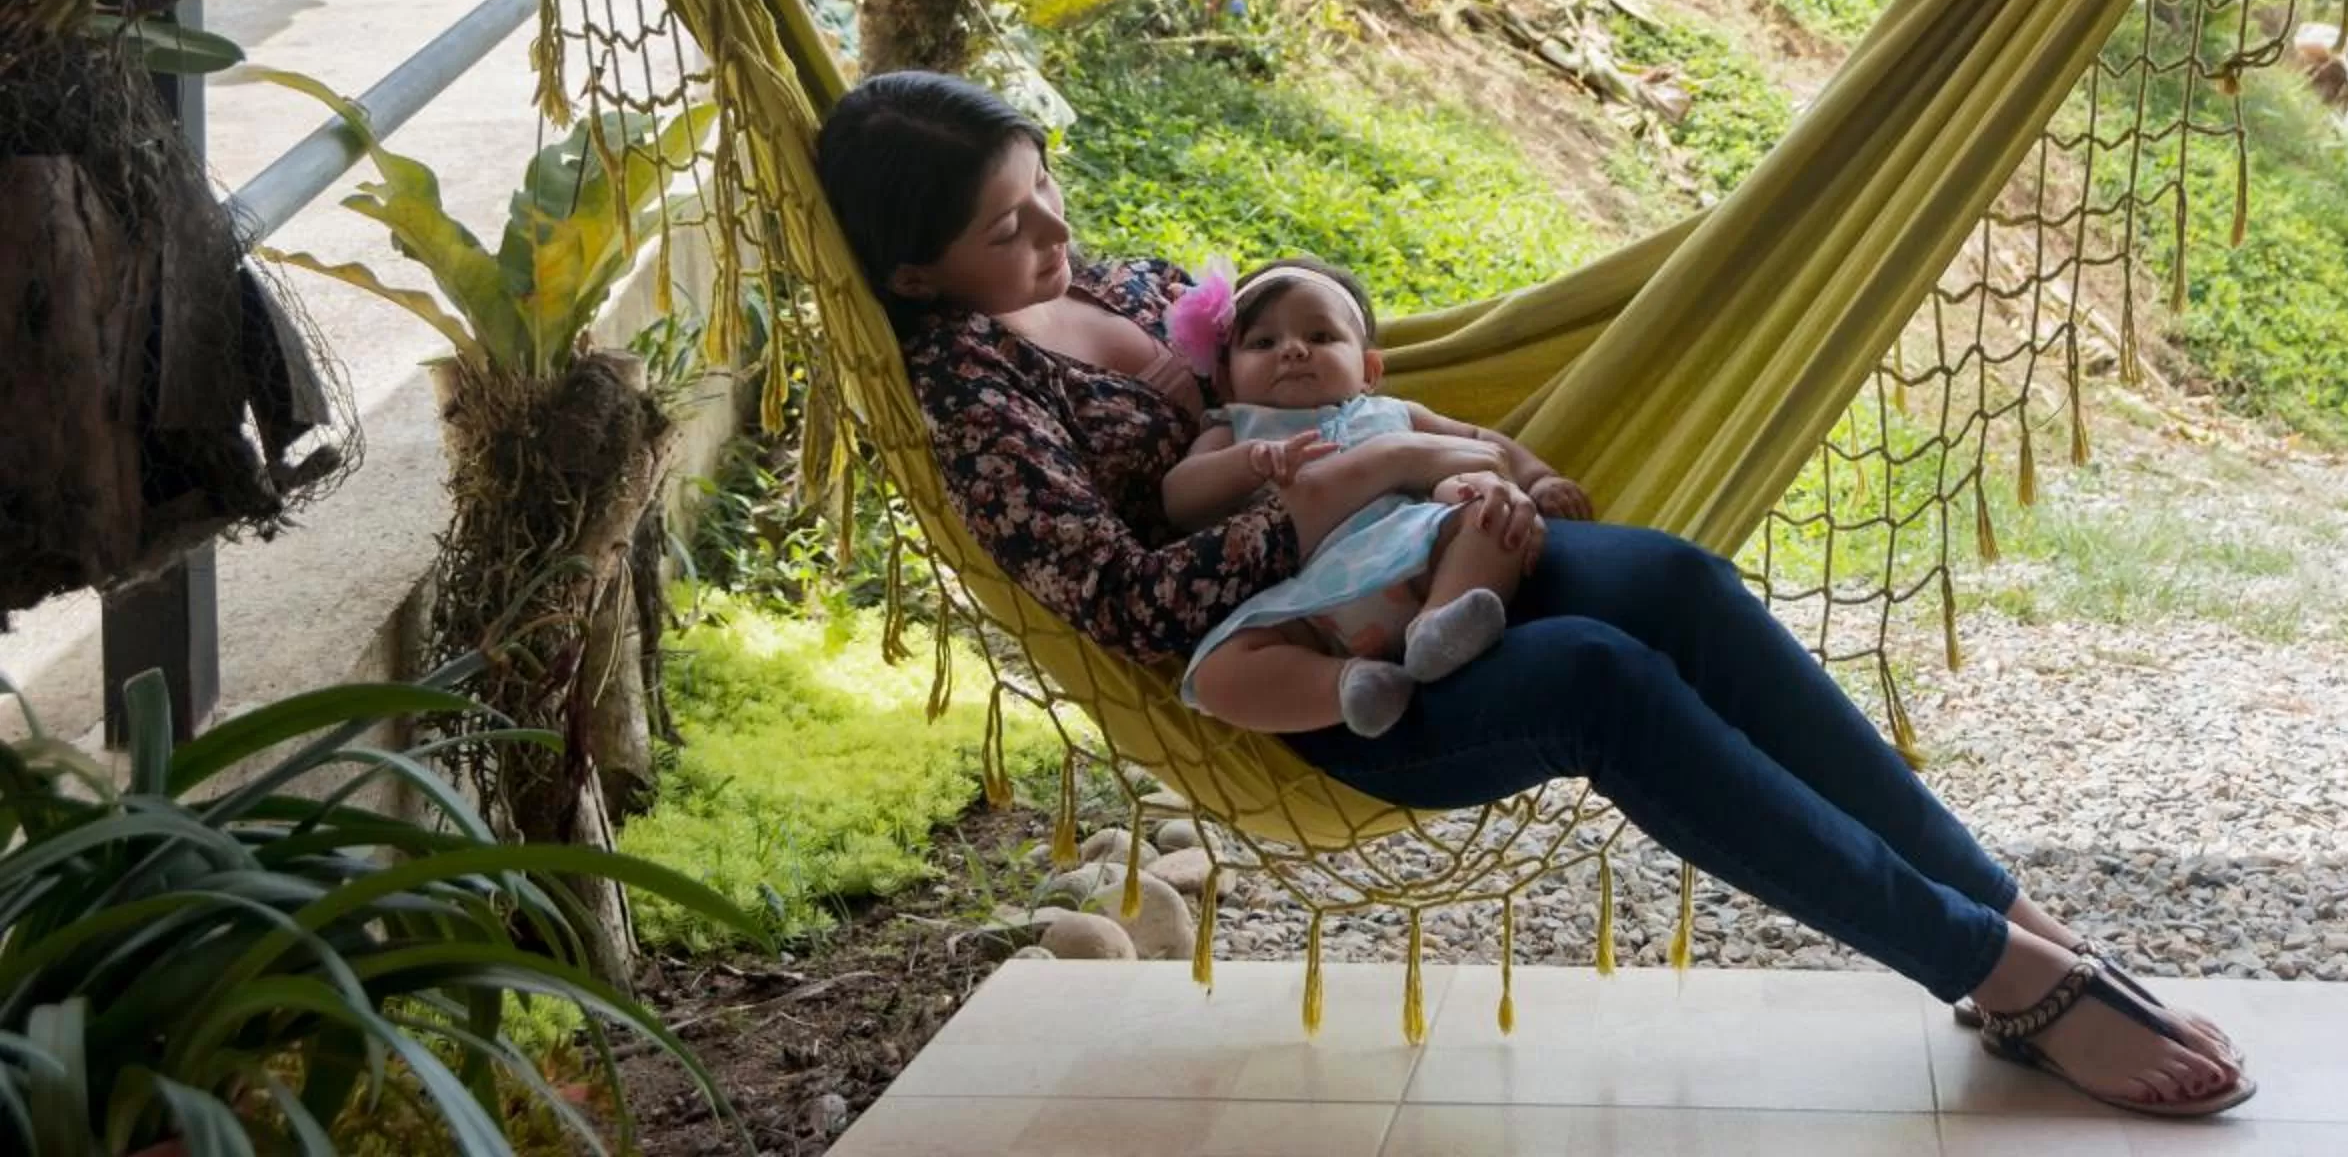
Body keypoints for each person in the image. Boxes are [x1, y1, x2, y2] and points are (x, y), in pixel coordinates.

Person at [816, 70, 2254, 1120]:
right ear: (918, 271)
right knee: (1596, 680)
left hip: (1418, 541)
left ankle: (2005, 911)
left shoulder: (1118, 288)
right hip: (1320, 663)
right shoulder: (973, 396)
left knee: (1674, 579)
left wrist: (1446, 467)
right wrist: (1343, 489)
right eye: (1009, 230)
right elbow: (1121, 602)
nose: (1055, 235)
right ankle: (1992, 969)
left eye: (1046, 187)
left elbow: (1300, 366)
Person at [1161, 255, 1569, 740]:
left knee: (1494, 515)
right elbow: (1179, 499)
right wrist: (1245, 463)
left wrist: (1538, 477)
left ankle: (1438, 627)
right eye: (1264, 342)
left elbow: (1479, 440)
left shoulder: (1393, 413)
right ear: (1227, 380)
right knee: (1218, 673)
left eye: (1320, 337)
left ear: (1369, 370)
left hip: (1416, 553)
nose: (1293, 350)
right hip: (1306, 602)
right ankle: (1352, 686)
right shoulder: (1234, 429)